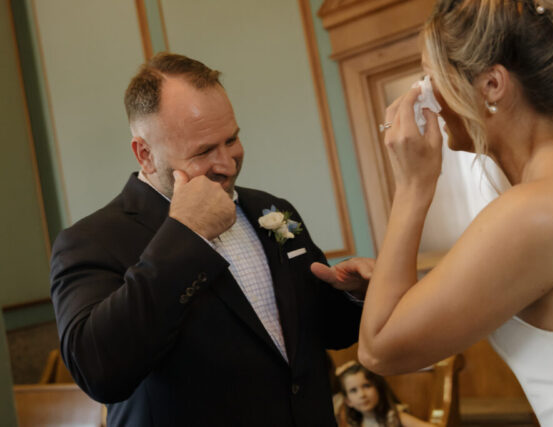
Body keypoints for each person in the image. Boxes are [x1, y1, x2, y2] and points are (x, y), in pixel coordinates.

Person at [313, 0, 553, 425]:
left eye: (431, 79)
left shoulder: (537, 210)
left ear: (491, 84)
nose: (427, 99)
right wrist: (398, 293)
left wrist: (413, 186)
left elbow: (379, 352)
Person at [49, 52, 367, 426]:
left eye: (231, 139)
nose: (227, 164)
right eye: (203, 151)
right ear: (145, 154)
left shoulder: (271, 209)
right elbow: (98, 371)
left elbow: (324, 332)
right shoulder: (90, 241)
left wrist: (352, 294)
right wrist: (187, 233)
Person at [335, 361, 434, 427]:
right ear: (348, 401)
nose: (362, 395)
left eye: (366, 386)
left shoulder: (394, 416)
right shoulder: (355, 424)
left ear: (378, 388)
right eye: (353, 390)